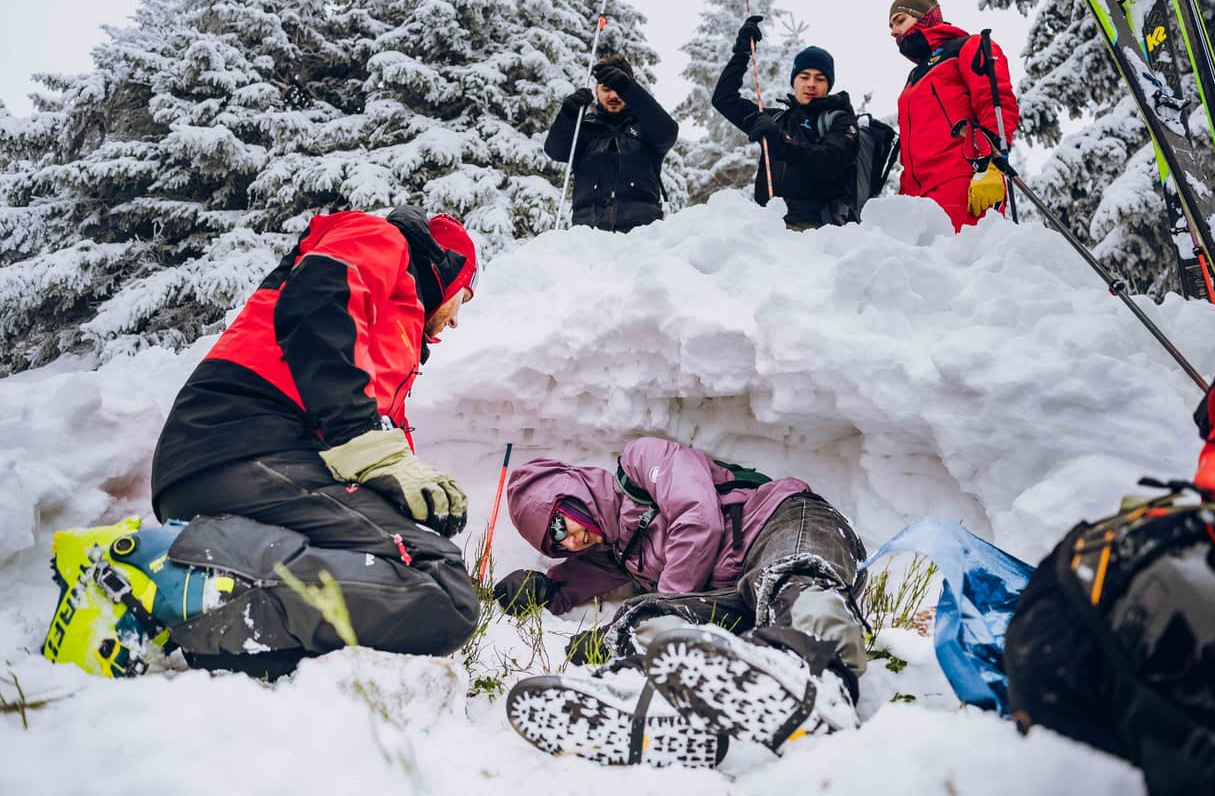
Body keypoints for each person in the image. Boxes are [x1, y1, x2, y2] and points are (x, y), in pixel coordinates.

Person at [80, 205, 481, 678]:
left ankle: (208, 627)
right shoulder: (378, 238)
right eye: (465, 297)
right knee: (442, 584)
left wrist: (408, 508)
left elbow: (378, 453)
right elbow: (317, 300)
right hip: (244, 441)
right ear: (448, 270)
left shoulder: (387, 349)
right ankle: (166, 569)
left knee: (406, 577)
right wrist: (362, 439)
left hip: (241, 468)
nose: (456, 320)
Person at [495, 436, 867, 767]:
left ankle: (821, 676)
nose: (569, 544)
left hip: (780, 522)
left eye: (560, 527)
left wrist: (663, 601)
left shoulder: (639, 463)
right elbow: (572, 585)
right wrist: (542, 589)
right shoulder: (620, 554)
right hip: (740, 595)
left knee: (791, 580)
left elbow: (699, 519)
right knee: (642, 618)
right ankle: (658, 705)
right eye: (555, 546)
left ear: (570, 492)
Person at [889, 0, 1020, 232]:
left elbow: (995, 100)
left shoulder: (966, 47)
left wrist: (991, 166)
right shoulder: (913, 78)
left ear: (924, 17)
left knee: (965, 266)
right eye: (892, 26)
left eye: (900, 20)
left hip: (964, 184)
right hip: (917, 201)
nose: (894, 32)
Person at [712, 16, 861, 229]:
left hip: (818, 229)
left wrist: (780, 141)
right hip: (770, 224)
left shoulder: (841, 121)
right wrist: (742, 53)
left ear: (829, 85)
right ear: (794, 81)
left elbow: (829, 162)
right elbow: (724, 99)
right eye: (804, 76)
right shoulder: (776, 119)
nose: (811, 84)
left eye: (820, 79)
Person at [544, 55, 679, 232]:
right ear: (597, 91)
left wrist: (630, 89)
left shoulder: (647, 127)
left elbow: (668, 133)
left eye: (620, 90)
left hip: (642, 236)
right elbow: (555, 150)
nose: (614, 95)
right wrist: (568, 114)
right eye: (607, 89)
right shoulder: (584, 129)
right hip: (589, 237)